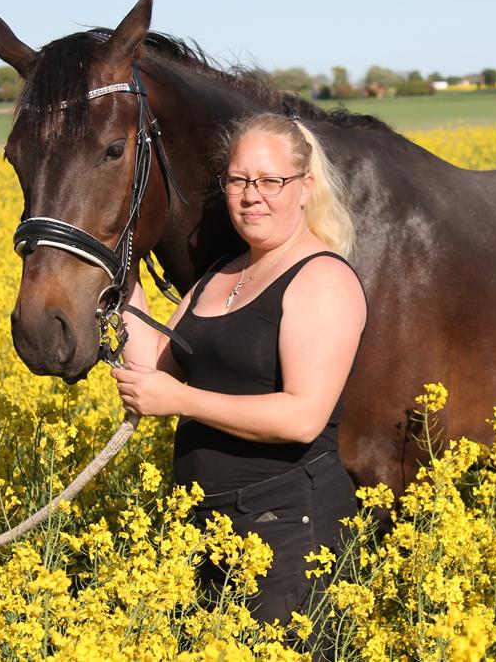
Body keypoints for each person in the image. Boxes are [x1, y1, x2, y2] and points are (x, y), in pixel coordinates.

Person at [111, 111, 366, 626]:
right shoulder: (220, 276)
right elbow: (155, 367)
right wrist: (121, 268)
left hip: (288, 529)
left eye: (271, 181)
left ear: (304, 188)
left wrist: (181, 401)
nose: (252, 196)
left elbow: (303, 417)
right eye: (238, 180)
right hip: (205, 524)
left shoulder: (321, 278)